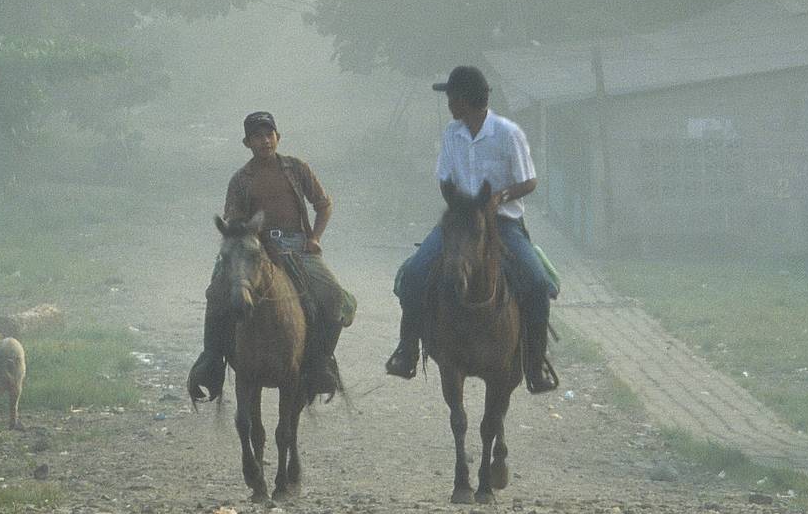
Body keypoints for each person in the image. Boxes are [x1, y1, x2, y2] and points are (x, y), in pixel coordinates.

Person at [384, 65, 559, 393]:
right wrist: (460, 206)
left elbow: (530, 180)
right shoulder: (452, 133)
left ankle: (535, 365)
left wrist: (499, 198)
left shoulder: (508, 133)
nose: (449, 103)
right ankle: (406, 351)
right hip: (460, 221)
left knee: (536, 284)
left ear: (467, 99)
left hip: (503, 223)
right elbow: (444, 178)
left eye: (452, 96)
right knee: (414, 274)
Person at [187, 111, 356, 403]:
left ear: (278, 137)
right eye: (257, 137)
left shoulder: (297, 168)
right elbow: (235, 223)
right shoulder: (241, 179)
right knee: (216, 293)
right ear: (247, 142)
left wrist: (315, 238)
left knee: (334, 296)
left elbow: (323, 205)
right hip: (255, 248)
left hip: (298, 247)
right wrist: (257, 243)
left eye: (269, 135)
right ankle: (211, 361)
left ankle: (320, 362)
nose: (265, 141)